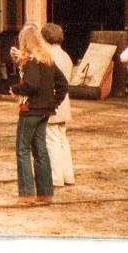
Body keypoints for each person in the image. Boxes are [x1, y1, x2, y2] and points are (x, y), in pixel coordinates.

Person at [10, 23, 68, 204]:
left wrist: (15, 89)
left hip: (30, 111)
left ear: (25, 41)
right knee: (40, 151)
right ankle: (45, 193)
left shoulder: (30, 60)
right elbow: (63, 84)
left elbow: (32, 84)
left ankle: (26, 194)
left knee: (22, 150)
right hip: (44, 112)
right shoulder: (47, 59)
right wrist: (53, 103)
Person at [41, 23, 75, 187]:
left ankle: (56, 178)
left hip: (52, 103)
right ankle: (68, 176)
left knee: (52, 141)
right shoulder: (66, 56)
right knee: (62, 140)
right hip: (64, 104)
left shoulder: (48, 57)